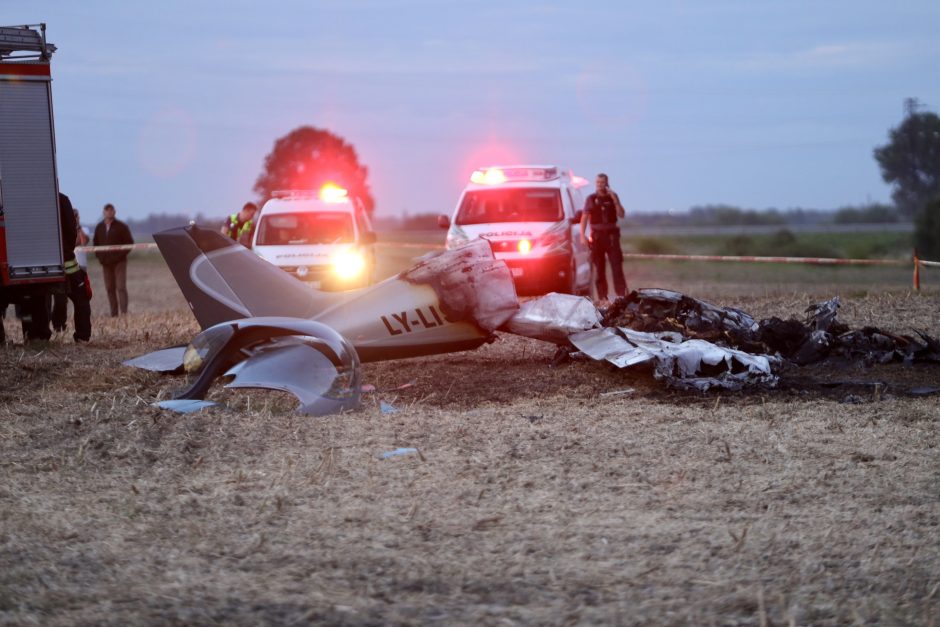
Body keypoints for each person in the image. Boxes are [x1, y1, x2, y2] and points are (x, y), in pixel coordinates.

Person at [580, 173, 627, 303]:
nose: (600, 185)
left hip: (612, 236)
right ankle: (602, 298)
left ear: (607, 183)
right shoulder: (591, 198)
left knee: (617, 266)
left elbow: (622, 215)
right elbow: (584, 217)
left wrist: (615, 200)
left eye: (602, 182)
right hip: (597, 236)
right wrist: (582, 235)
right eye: (598, 183)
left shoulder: (613, 197)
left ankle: (621, 296)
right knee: (599, 268)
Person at [52, 206, 90, 332]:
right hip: (65, 268)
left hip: (76, 268)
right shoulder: (62, 227)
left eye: (76, 216)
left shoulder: (79, 229)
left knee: (80, 300)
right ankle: (59, 326)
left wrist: (77, 225)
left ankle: (82, 334)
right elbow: (72, 242)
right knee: (61, 301)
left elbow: (81, 241)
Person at [93, 203, 133, 316]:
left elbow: (129, 243)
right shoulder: (99, 227)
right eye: (107, 210)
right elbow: (95, 244)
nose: (109, 212)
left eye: (111, 210)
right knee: (110, 288)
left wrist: (120, 255)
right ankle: (114, 314)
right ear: (103, 212)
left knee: (121, 287)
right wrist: (100, 257)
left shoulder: (122, 226)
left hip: (120, 262)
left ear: (114, 212)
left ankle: (124, 313)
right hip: (106, 263)